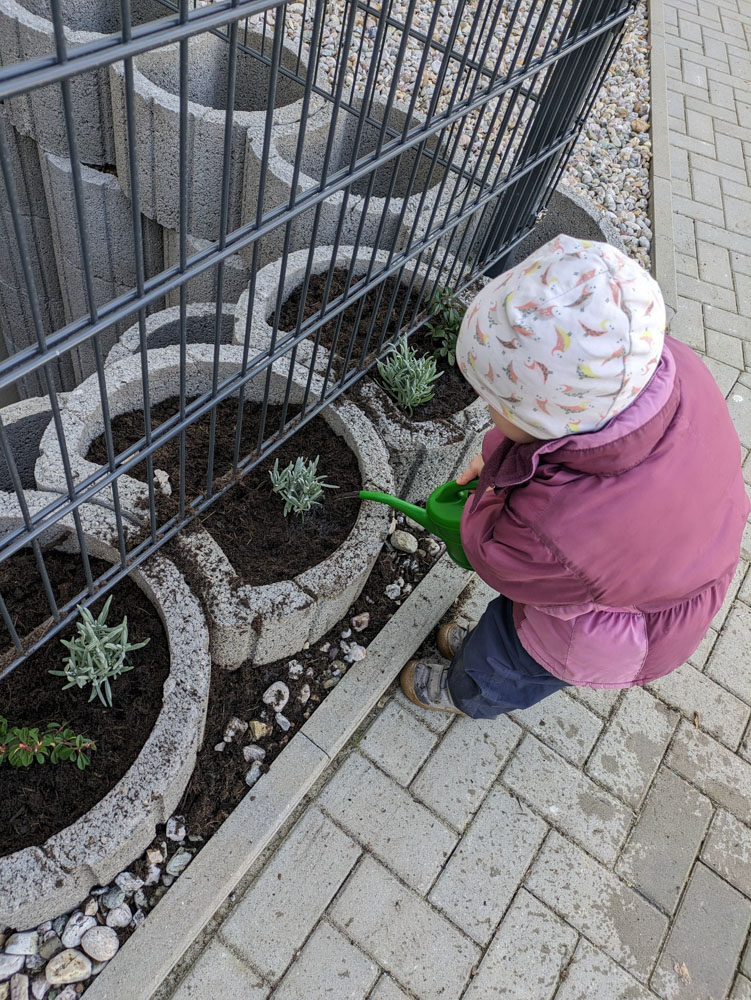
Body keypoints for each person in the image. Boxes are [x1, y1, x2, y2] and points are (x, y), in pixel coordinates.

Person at [400, 234, 750, 718]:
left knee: (513, 660)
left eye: (498, 405)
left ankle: (466, 693)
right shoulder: (669, 370)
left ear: (550, 422)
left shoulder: (555, 530)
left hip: (599, 632)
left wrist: (488, 492)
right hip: (661, 576)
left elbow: (494, 555)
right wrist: (501, 450)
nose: (488, 410)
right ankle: (477, 657)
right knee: (507, 627)